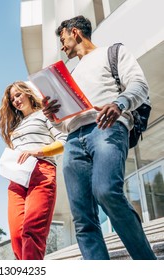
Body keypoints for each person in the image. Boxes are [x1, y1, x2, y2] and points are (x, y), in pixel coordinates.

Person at [41, 15, 157, 260]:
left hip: (107, 127)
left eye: (63, 40)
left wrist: (120, 103)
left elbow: (139, 85)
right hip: (73, 139)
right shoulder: (69, 76)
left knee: (106, 191)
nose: (62, 47)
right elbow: (65, 125)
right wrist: (54, 117)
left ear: (75, 32)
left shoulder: (113, 53)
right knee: (82, 216)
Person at [0, 81, 67, 260]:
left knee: (32, 231)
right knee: (17, 235)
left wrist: (37, 151)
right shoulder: (15, 129)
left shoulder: (44, 115)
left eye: (19, 95)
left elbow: (64, 140)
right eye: (12, 99)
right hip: (17, 179)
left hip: (41, 172)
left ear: (28, 93)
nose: (16, 101)